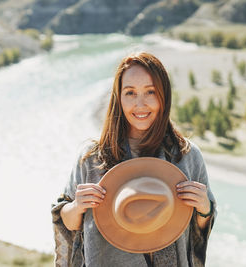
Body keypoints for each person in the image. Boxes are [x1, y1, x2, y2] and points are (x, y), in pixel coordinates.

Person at [51, 52, 216, 267]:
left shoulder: (187, 156)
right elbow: (66, 221)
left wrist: (205, 208)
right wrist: (76, 206)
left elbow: (200, 228)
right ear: (118, 98)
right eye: (130, 93)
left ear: (164, 96)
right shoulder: (91, 158)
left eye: (150, 92)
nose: (140, 104)